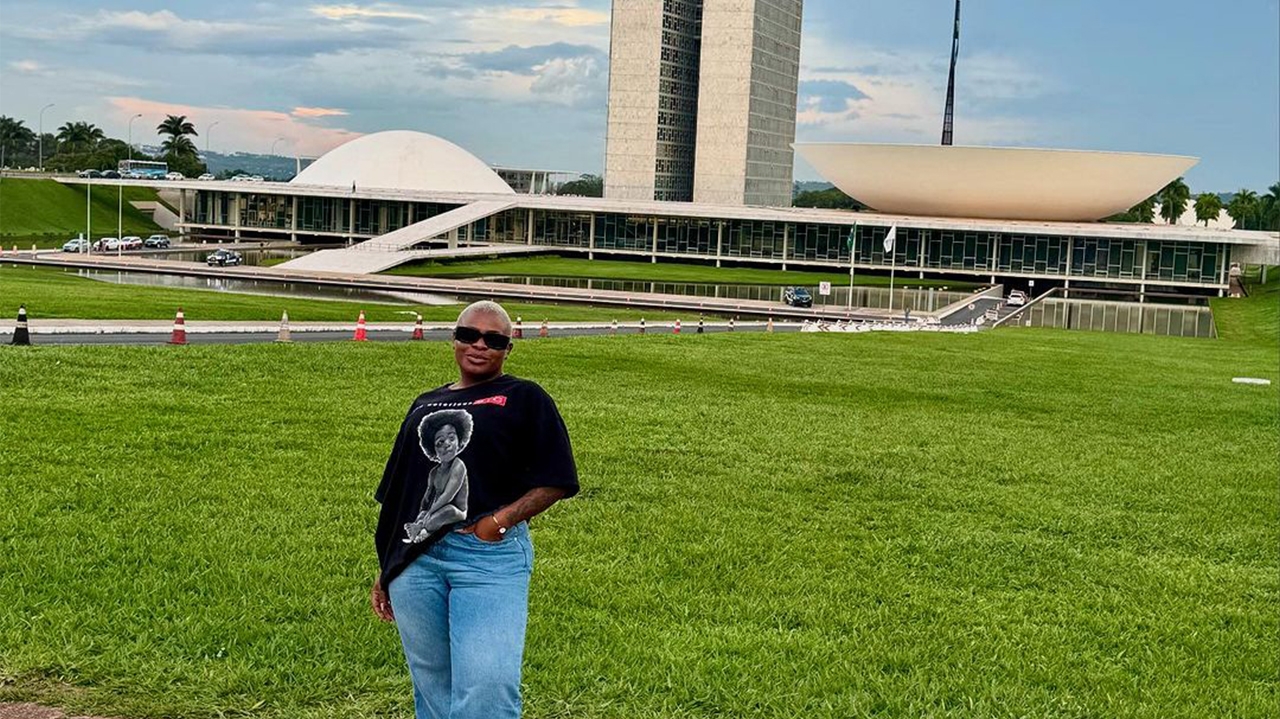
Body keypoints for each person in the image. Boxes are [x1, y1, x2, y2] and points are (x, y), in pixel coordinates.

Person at [371, 300, 578, 719]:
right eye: (469, 335)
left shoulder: (524, 396)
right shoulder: (424, 403)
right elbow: (402, 490)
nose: (479, 345)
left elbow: (557, 478)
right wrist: (387, 565)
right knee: (433, 686)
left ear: (508, 348)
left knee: (487, 688)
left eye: (494, 339)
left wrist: (497, 523)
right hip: (416, 560)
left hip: (487, 558)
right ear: (454, 340)